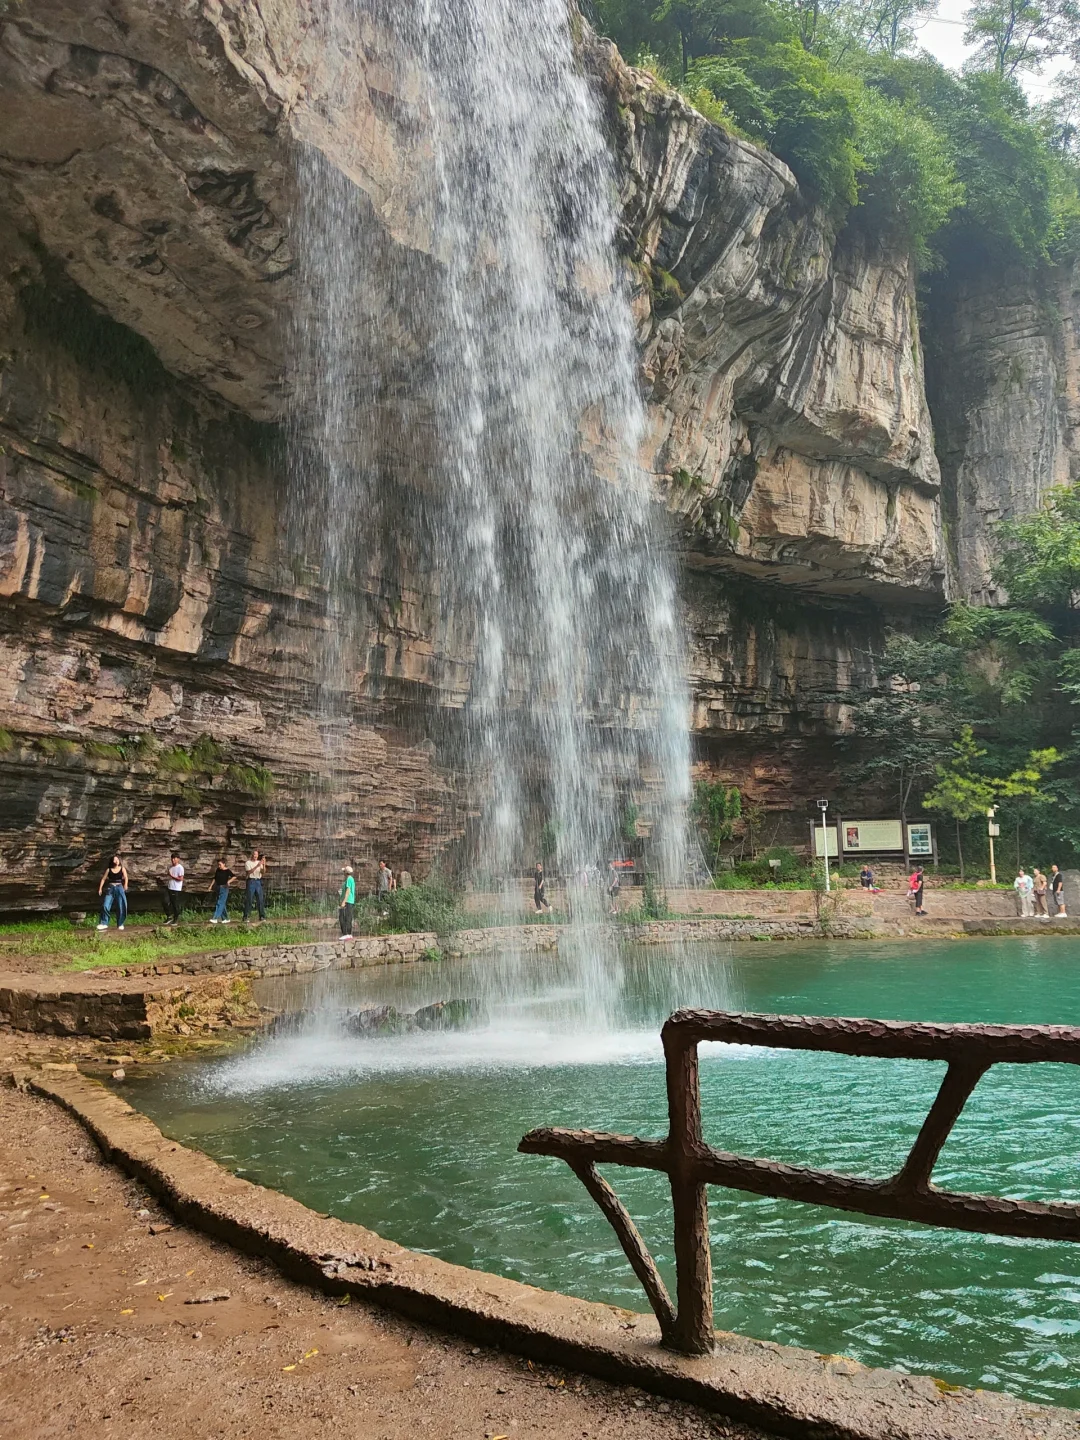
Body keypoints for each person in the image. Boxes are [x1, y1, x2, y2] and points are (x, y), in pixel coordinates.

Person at [96, 854, 129, 930]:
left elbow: (126, 877)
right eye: (114, 859)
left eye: (117, 859)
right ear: (112, 861)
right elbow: (103, 879)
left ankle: (120, 923)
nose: (116, 861)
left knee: (121, 905)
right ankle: (104, 923)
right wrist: (100, 888)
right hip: (110, 888)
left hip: (119, 888)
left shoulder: (122, 868)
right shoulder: (109, 870)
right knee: (105, 905)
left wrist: (125, 885)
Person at [208, 857, 236, 924]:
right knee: (221, 903)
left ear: (224, 864)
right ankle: (225, 918)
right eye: (218, 864)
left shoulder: (227, 871)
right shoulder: (218, 870)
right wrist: (211, 886)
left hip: (224, 888)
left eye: (220, 864)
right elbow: (215, 878)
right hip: (218, 887)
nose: (219, 866)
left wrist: (229, 882)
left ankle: (215, 918)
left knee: (220, 903)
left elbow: (234, 876)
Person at [243, 849, 267, 922]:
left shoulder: (259, 862)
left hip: (258, 881)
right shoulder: (248, 863)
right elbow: (249, 872)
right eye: (254, 854)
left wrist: (264, 864)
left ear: (257, 855)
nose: (255, 856)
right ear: (252, 855)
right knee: (249, 899)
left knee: (260, 899)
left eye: (256, 854)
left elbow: (263, 872)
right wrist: (257, 866)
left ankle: (262, 916)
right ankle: (246, 917)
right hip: (251, 881)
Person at [163, 852, 184, 925]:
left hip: (176, 888)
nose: (173, 860)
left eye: (174, 858)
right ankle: (169, 916)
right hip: (170, 887)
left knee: (175, 904)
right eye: (172, 858)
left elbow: (181, 879)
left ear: (178, 859)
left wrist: (172, 876)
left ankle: (176, 919)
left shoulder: (180, 868)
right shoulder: (171, 867)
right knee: (165, 902)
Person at [338, 864, 356, 939]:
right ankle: (346, 933)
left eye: (344, 872)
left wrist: (344, 901)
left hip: (348, 901)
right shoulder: (349, 880)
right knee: (344, 916)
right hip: (347, 901)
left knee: (345, 917)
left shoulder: (349, 879)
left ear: (346, 873)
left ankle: (347, 933)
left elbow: (348, 891)